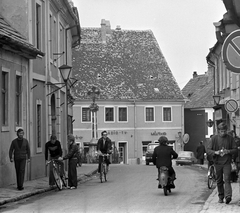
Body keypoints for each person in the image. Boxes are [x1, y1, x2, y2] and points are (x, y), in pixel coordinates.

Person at [207, 122, 237, 204]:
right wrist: (215, 152)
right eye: (221, 131)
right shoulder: (214, 139)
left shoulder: (230, 138)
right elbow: (208, 150)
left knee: (227, 179)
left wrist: (228, 151)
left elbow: (235, 150)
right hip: (217, 163)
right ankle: (221, 196)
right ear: (218, 131)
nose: (223, 133)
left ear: (226, 130)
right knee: (219, 180)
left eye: (224, 131)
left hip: (227, 162)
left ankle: (228, 196)